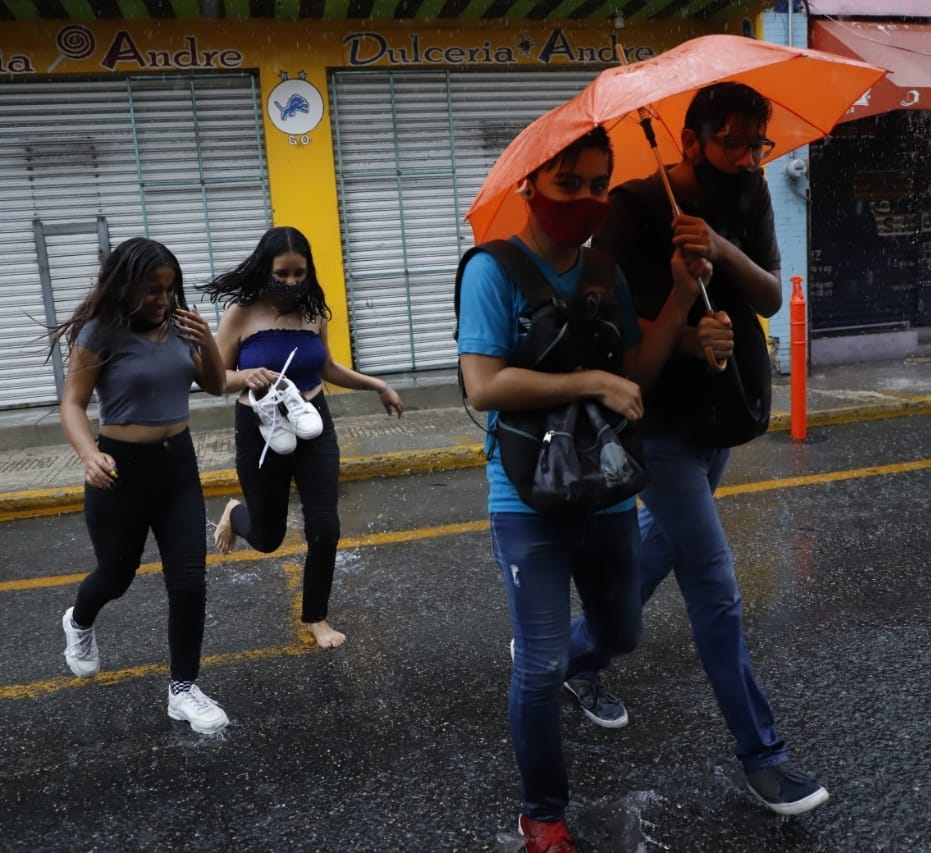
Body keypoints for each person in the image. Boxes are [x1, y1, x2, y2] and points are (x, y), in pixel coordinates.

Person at [569, 82, 830, 815]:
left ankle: (573, 657)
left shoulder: (747, 194)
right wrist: (680, 322)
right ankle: (764, 755)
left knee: (661, 551)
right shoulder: (630, 208)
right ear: (690, 140)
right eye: (735, 142)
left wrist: (720, 247)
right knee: (715, 588)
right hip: (659, 424)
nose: (750, 158)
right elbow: (598, 318)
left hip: (724, 411)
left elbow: (771, 292)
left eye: (759, 145)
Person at [457, 126, 702, 853]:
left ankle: (567, 658)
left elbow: (639, 374)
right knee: (536, 665)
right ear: (531, 186)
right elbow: (483, 383)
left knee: (620, 632)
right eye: (571, 185)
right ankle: (542, 814)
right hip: (525, 494)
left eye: (600, 185)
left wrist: (687, 295)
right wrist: (589, 380)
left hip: (608, 490)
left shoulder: (607, 273)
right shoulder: (492, 270)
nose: (589, 200)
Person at [51, 236, 230, 735]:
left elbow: (214, 385)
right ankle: (79, 621)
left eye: (169, 290)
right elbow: (72, 403)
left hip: (178, 467)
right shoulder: (100, 332)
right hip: (120, 469)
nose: (162, 300)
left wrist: (207, 341)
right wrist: (89, 455)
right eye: (152, 290)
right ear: (126, 286)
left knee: (189, 582)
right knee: (116, 576)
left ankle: (184, 690)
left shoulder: (180, 326)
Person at [200, 226, 404, 650]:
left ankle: (317, 617)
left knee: (325, 526)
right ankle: (237, 513)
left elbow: (327, 369)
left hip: (314, 422)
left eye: (299, 273)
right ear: (265, 269)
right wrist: (244, 375)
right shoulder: (242, 313)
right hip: (259, 428)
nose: (292, 282)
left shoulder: (314, 313)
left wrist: (378, 385)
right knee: (268, 538)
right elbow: (214, 379)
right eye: (283, 273)